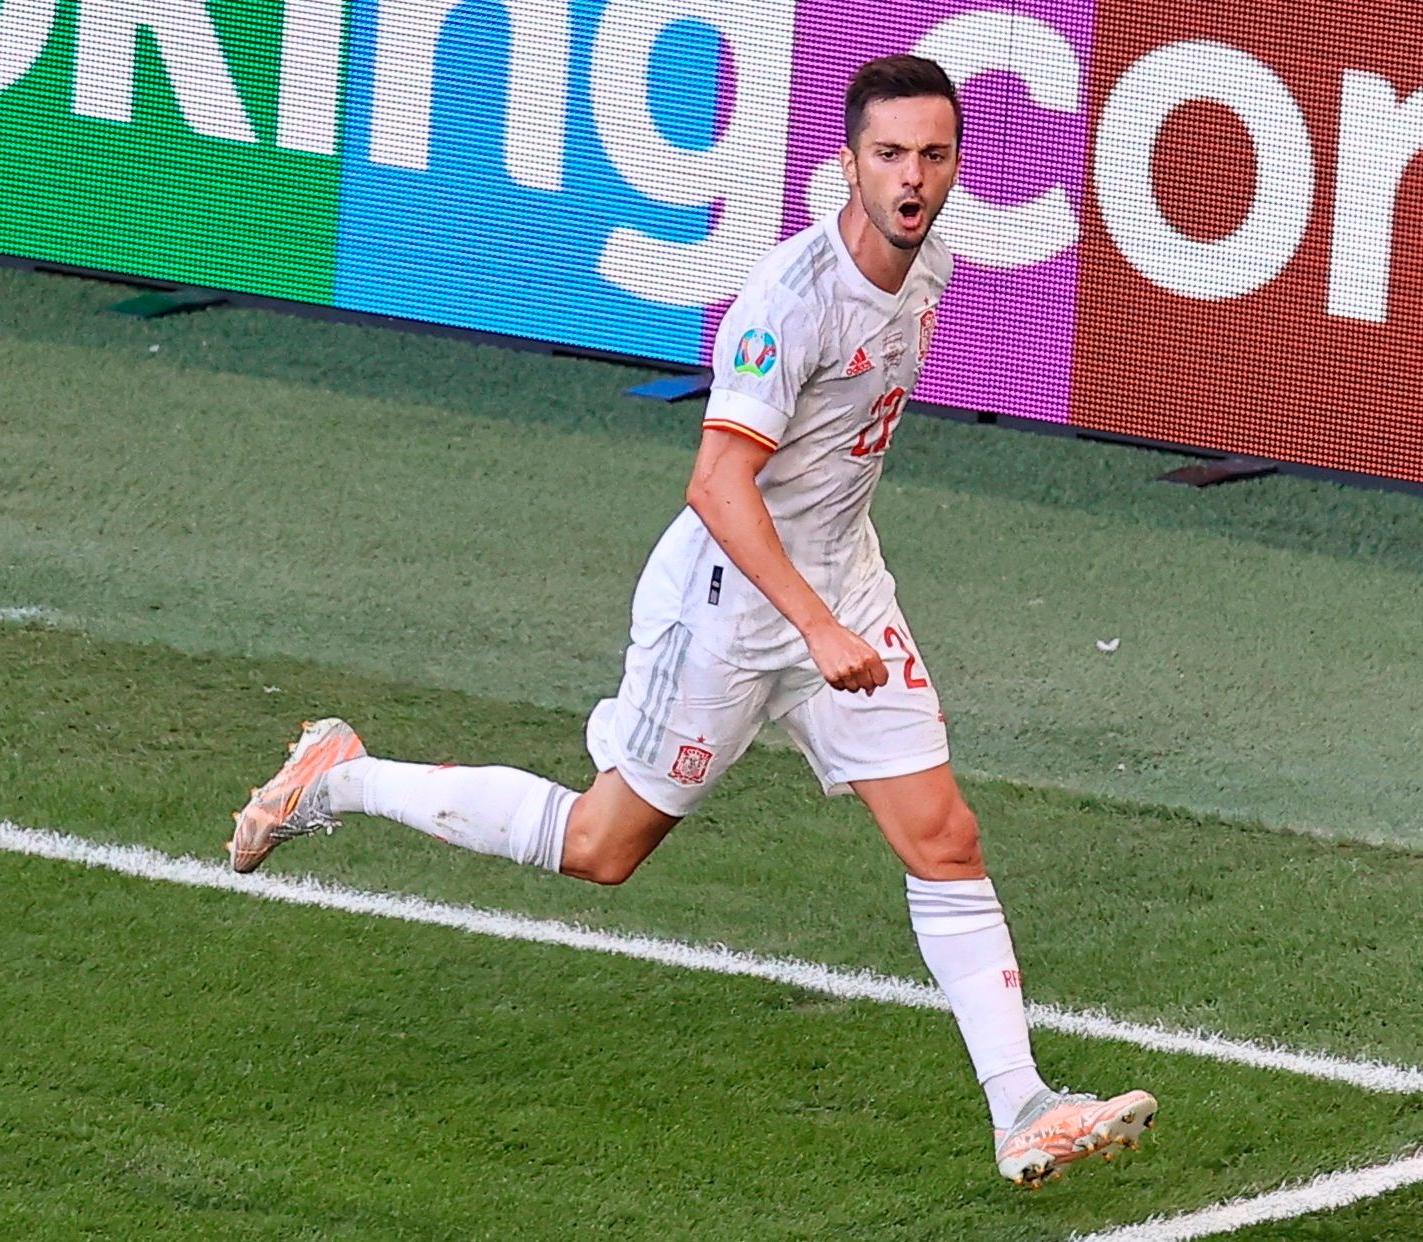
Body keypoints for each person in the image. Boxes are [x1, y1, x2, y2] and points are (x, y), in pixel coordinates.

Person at [229, 54, 1154, 1188]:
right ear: (845, 162)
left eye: (932, 155)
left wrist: (834, 611)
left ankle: (1020, 1106)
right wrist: (814, 630)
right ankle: (339, 775)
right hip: (730, 607)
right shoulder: (790, 303)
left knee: (942, 835)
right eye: (889, 155)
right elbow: (718, 486)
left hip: (842, 590)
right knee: (600, 848)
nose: (911, 178)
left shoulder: (930, 268)